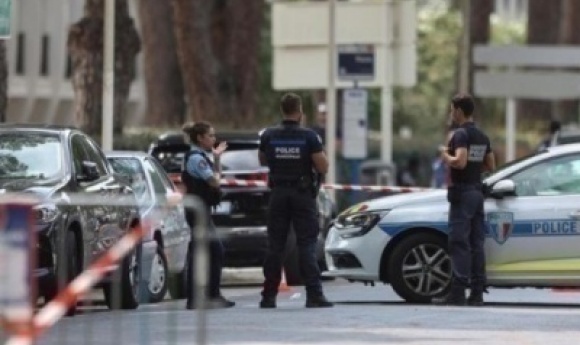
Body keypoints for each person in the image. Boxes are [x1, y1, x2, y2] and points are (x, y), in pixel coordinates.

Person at [258, 93, 333, 309]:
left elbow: (262, 160)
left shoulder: (269, 135)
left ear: (282, 110)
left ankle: (268, 296)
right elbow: (323, 167)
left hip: (278, 193)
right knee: (306, 244)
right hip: (302, 195)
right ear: (300, 112)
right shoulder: (309, 137)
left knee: (275, 246)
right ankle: (314, 295)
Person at [433, 93, 495, 306]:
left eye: (452, 110)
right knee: (476, 244)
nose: (451, 114)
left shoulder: (460, 135)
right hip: (477, 193)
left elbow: (459, 162)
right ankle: (477, 292)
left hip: (462, 193)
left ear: (458, 111)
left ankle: (458, 293)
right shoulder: (482, 135)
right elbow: (490, 166)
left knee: (459, 243)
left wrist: (444, 155)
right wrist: (473, 167)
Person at [181, 121, 235, 309]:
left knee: (207, 251)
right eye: (210, 135)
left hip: (200, 210)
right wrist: (218, 174)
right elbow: (214, 181)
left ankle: (203, 296)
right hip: (198, 211)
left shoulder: (201, 156)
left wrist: (217, 158)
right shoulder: (197, 159)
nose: (214, 138)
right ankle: (205, 296)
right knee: (211, 251)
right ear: (200, 138)